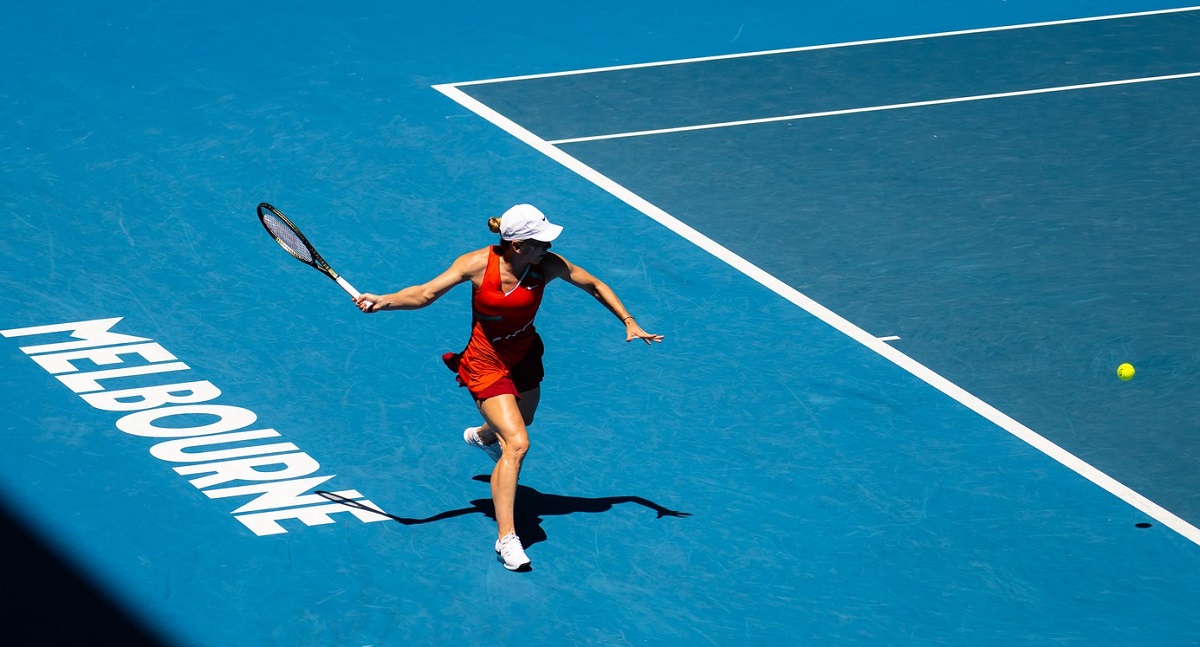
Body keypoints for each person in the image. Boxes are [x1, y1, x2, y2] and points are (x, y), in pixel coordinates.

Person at [353, 204, 663, 571]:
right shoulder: (475, 264)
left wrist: (628, 321)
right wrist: (383, 301)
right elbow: (424, 294)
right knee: (517, 444)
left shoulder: (546, 265)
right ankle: (507, 538)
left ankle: (483, 436)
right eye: (541, 241)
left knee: (523, 420)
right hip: (486, 365)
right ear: (519, 245)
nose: (548, 247)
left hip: (526, 353)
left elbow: (594, 284)